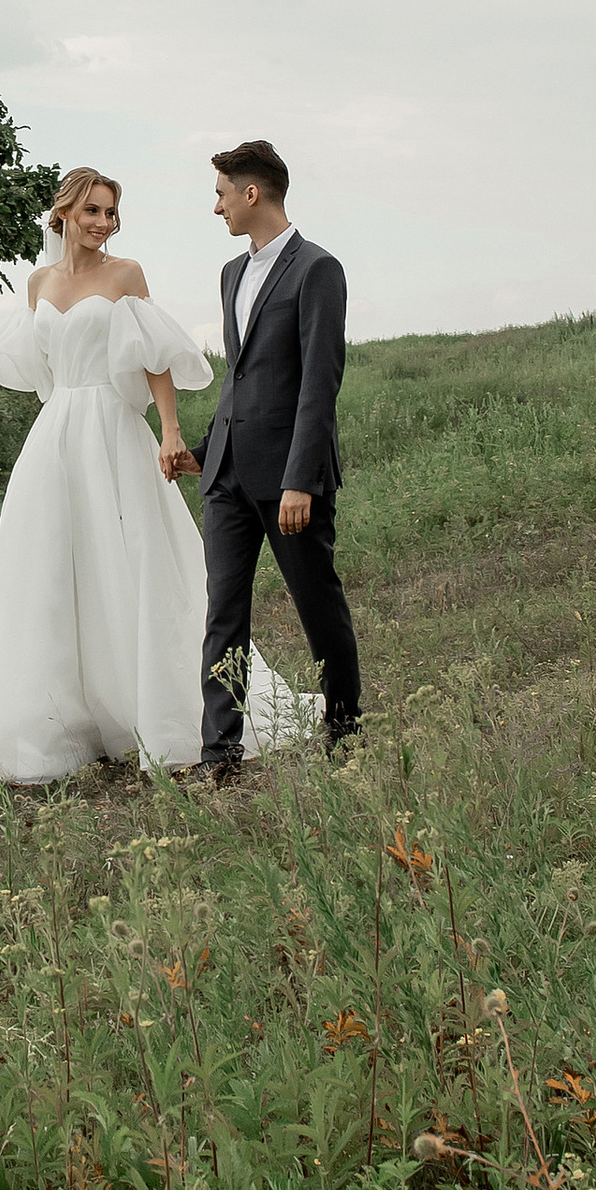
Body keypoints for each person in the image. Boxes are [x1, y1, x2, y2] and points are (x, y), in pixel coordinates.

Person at [0, 168, 312, 782]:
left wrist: (169, 431)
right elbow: (41, 371)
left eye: (110, 213)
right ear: (63, 212)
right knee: (53, 570)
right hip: (57, 437)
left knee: (133, 563)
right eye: (92, 211)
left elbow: (155, 360)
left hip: (114, 430)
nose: (103, 223)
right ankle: (54, 721)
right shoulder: (38, 283)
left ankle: (154, 708)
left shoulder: (126, 275)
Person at [158, 139, 361, 777]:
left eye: (221, 193)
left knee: (317, 604)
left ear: (252, 193)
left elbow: (317, 384)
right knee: (224, 611)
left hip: (289, 481)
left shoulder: (317, 269)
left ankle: (346, 736)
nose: (215, 207)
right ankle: (220, 755)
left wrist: (301, 479)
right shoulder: (230, 274)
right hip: (227, 478)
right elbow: (241, 380)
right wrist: (202, 451)